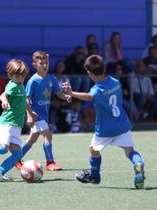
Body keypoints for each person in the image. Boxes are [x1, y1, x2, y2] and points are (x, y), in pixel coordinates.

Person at [62, 55, 146, 189]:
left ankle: (94, 176)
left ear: (89, 74)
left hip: (105, 129)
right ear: (104, 69)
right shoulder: (115, 82)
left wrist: (71, 93)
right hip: (122, 125)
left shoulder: (97, 89)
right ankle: (139, 164)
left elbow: (89, 97)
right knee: (130, 151)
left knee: (93, 150)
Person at [15, 51, 71, 171]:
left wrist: (65, 96)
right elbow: (26, 99)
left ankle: (16, 159)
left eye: (46, 62)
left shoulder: (51, 79)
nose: (45, 65)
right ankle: (50, 162)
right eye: (41, 63)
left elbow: (58, 93)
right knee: (48, 135)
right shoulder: (33, 81)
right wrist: (29, 115)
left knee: (32, 139)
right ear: (35, 64)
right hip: (36, 115)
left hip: (44, 114)